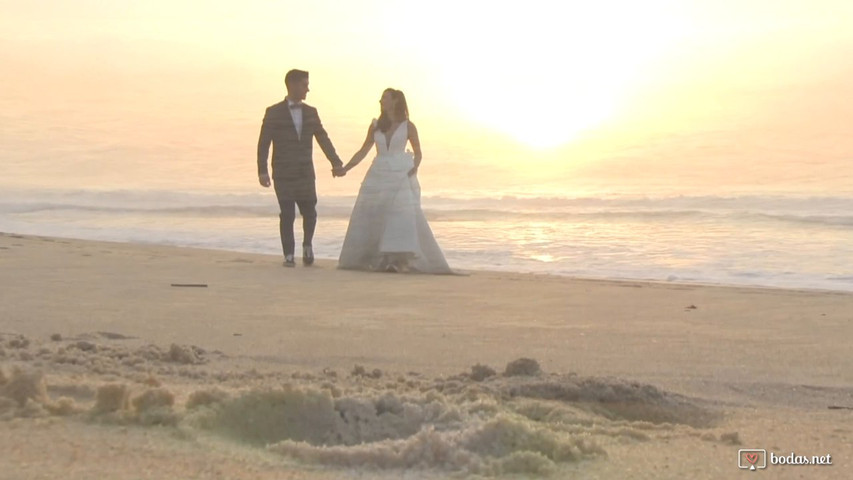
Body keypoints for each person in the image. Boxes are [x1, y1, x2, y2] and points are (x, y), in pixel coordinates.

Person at [337, 88, 452, 274]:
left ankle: (397, 259)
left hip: (401, 173)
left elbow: (419, 152)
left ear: (396, 101)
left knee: (399, 216)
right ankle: (379, 259)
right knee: (375, 214)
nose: (381, 101)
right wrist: (346, 168)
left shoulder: (408, 126)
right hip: (379, 173)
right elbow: (364, 150)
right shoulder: (376, 125)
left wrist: (415, 166)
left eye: (385, 98)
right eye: (382, 98)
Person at [257, 69, 345, 267]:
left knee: (310, 211)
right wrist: (262, 170)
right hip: (283, 172)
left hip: (305, 172)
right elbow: (264, 142)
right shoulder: (274, 112)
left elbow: (323, 138)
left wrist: (336, 162)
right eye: (304, 85)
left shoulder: (311, 112)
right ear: (293, 85)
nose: (308, 89)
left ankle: (307, 245)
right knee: (287, 213)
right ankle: (288, 254)